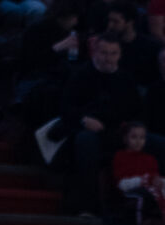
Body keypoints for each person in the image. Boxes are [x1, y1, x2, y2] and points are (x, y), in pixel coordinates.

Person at [59, 33, 144, 215]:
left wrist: (130, 127)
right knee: (86, 142)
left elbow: (136, 110)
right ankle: (89, 206)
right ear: (95, 52)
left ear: (120, 55)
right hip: (86, 130)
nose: (108, 58)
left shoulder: (125, 79)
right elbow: (66, 107)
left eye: (113, 54)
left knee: (156, 143)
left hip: (119, 131)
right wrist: (84, 119)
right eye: (104, 53)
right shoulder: (81, 75)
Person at [106, 1, 163, 88]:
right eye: (109, 20)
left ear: (129, 22)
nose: (110, 25)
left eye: (115, 22)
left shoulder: (152, 48)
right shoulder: (106, 45)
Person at [113, 122, 165, 215]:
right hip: (131, 188)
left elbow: (155, 177)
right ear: (125, 139)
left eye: (142, 138)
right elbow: (121, 184)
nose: (138, 141)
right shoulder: (121, 156)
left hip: (151, 187)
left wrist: (158, 181)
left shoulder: (150, 158)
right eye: (134, 137)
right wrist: (147, 180)